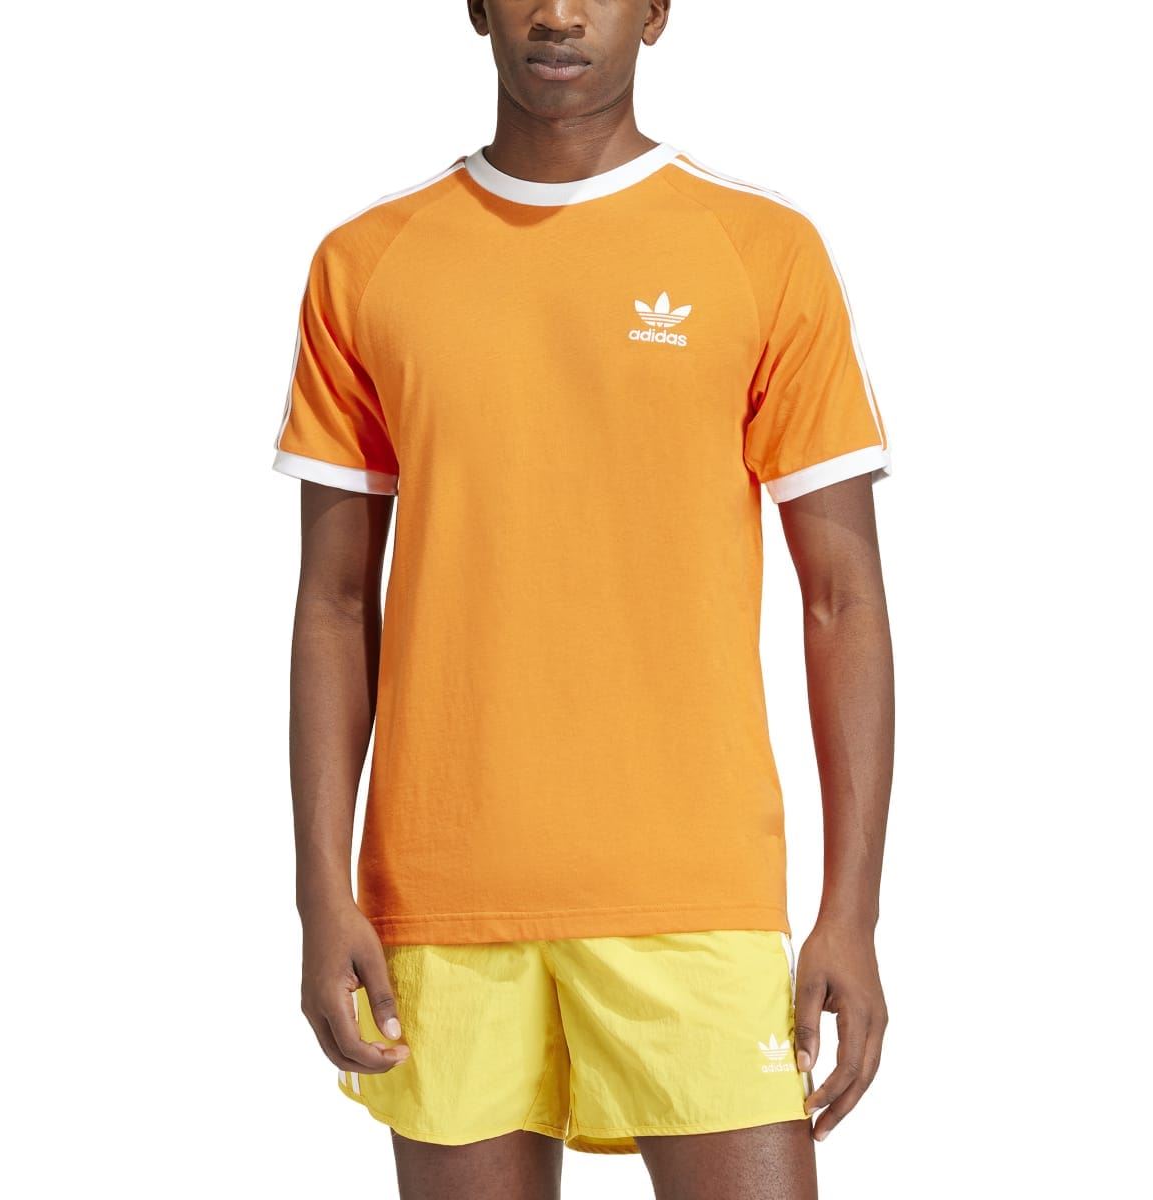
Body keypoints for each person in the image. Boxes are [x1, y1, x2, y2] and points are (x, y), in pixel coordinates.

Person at [272, 2, 893, 1196]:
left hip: (695, 889)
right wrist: (319, 894)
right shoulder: (367, 261)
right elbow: (335, 604)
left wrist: (850, 914)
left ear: (656, 11)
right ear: (475, 6)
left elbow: (844, 602)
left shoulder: (759, 250)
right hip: (442, 900)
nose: (559, 14)